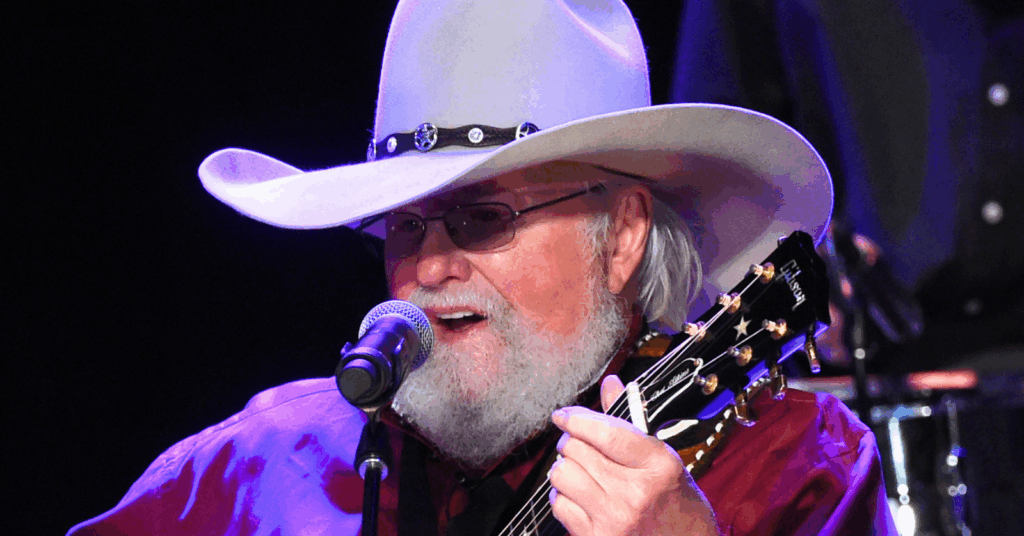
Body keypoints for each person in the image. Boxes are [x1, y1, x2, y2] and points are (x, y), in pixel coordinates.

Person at [67, 1, 896, 534]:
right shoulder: (256, 464)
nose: (428, 267)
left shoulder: (797, 468)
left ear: (623, 237)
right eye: (402, 227)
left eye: (481, 219)